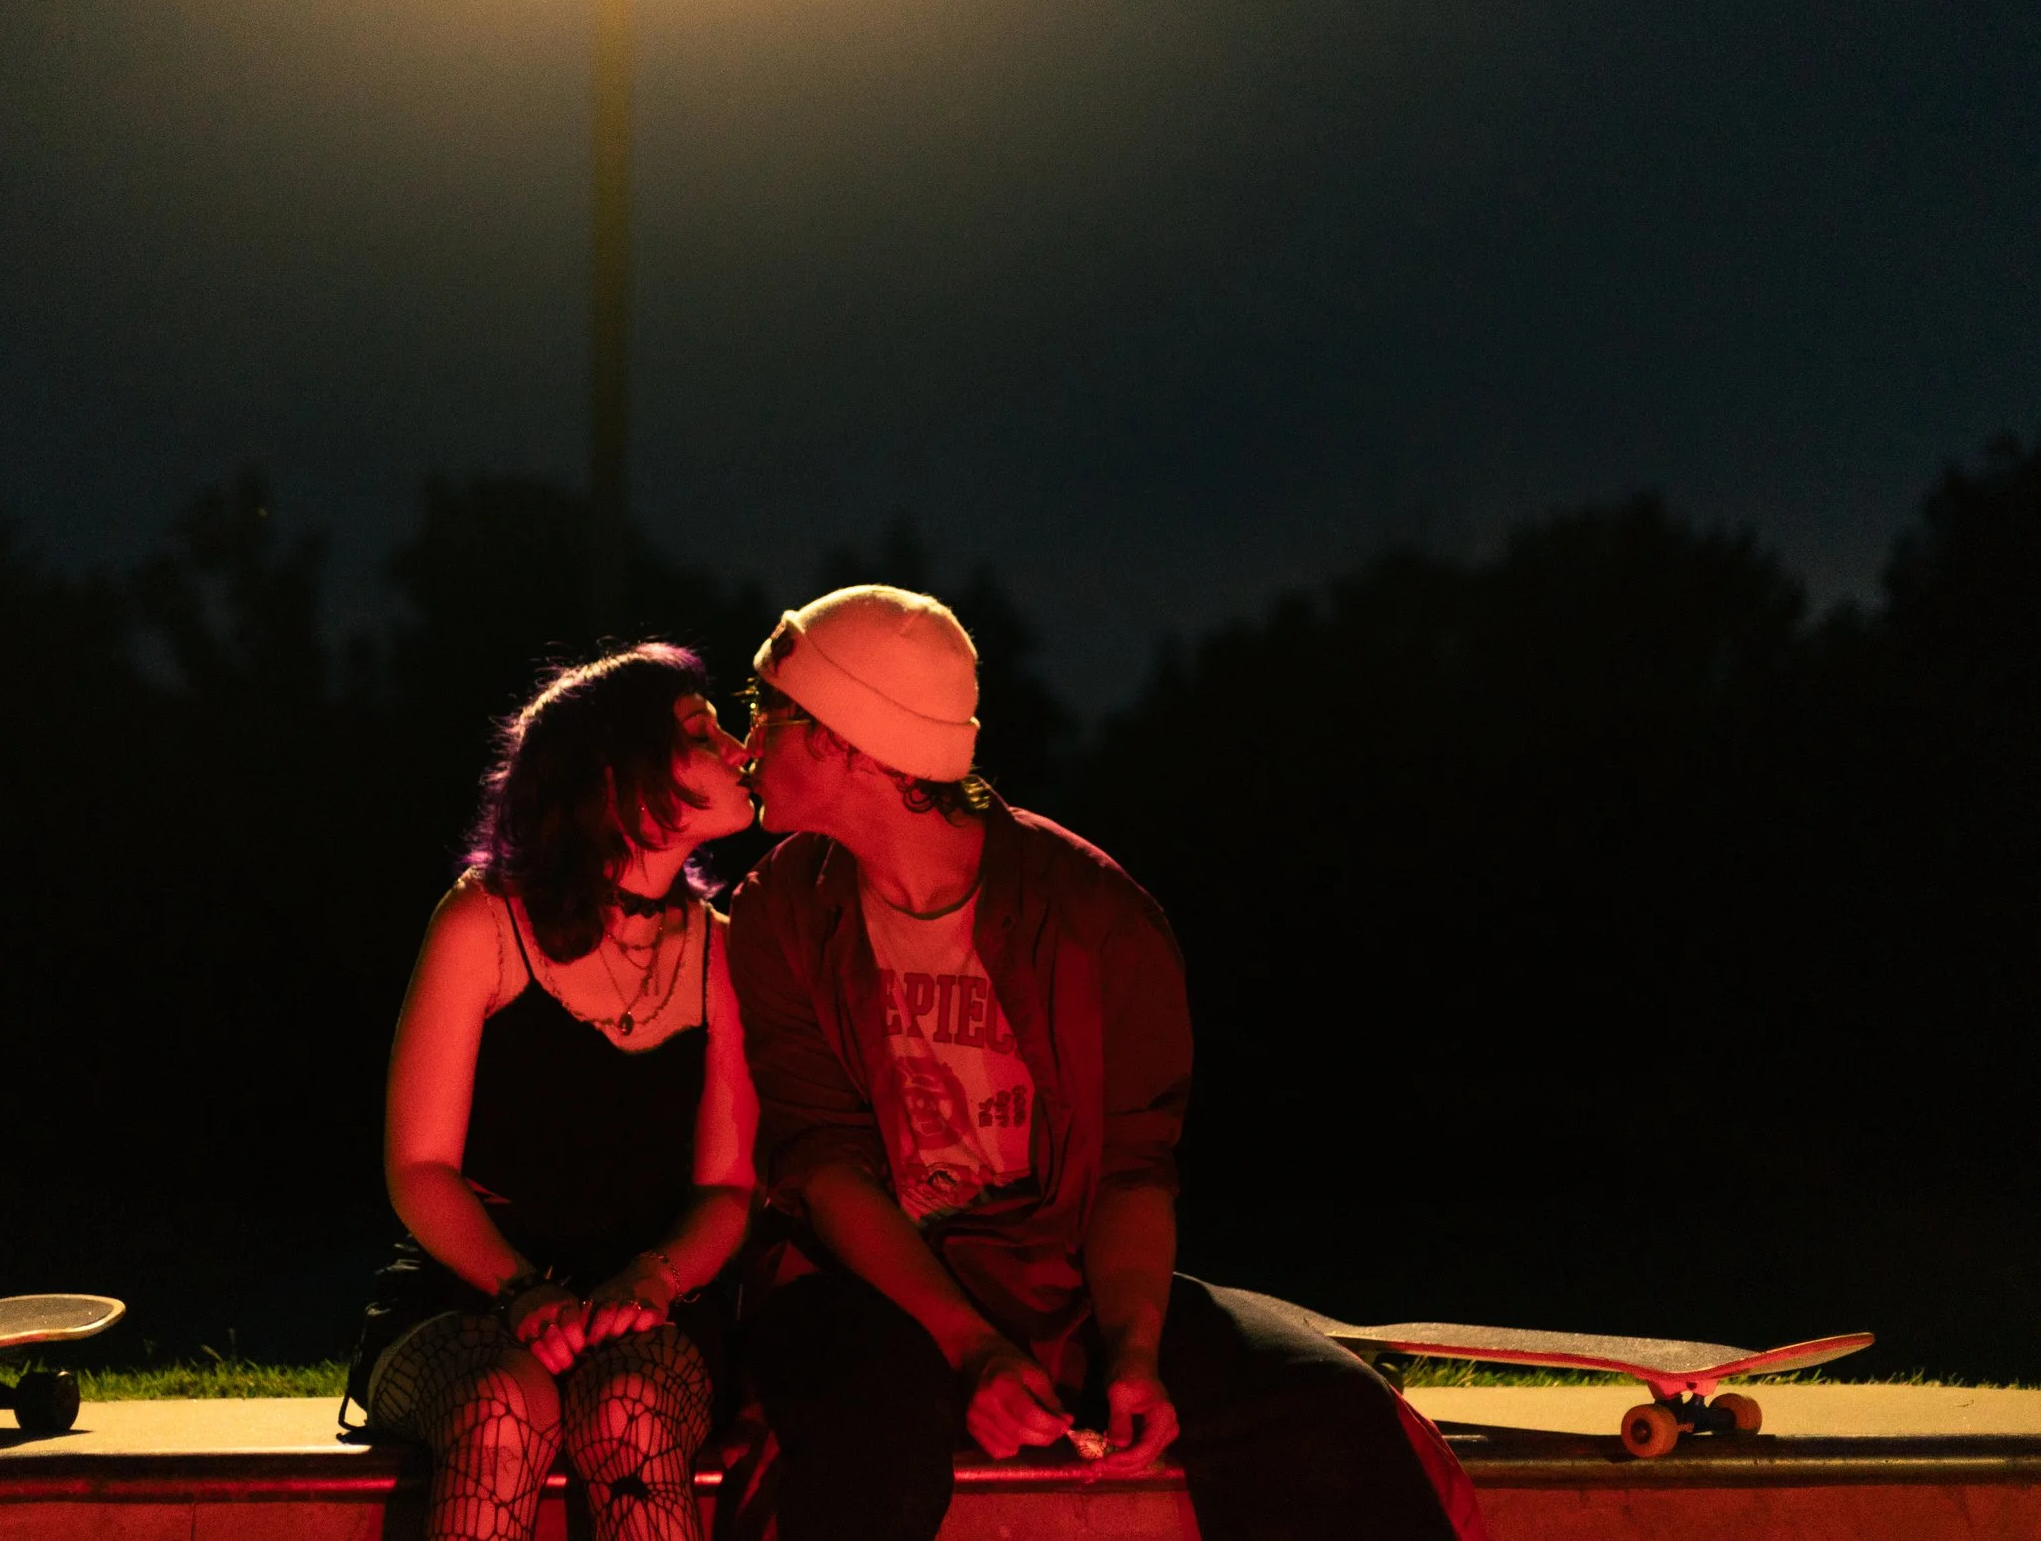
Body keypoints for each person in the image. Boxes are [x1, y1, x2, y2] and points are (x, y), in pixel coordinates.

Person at [725, 585, 1481, 1541]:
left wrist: (1134, 1353)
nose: (746, 744)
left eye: (766, 713)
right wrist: (971, 1349)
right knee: (872, 1438)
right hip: (865, 1286)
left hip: (1056, 1278)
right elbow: (825, 1163)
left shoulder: (1096, 917)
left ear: (841, 737)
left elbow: (1132, 1165)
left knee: (1325, 1407)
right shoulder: (780, 912)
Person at [358, 643, 760, 1541]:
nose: (739, 748)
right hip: (469, 1295)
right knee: (503, 1406)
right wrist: (521, 1291)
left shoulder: (723, 949)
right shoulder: (483, 919)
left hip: (646, 1304)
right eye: (703, 730)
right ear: (613, 775)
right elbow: (419, 1167)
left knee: (629, 1410)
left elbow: (728, 1187)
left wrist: (652, 1280)